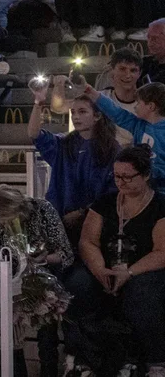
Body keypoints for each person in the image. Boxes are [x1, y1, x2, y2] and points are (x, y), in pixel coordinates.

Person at [64, 146, 165, 376]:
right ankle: (83, 357)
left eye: (128, 177)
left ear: (146, 175)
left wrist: (128, 272)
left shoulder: (160, 205)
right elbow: (88, 241)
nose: (121, 182)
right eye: (117, 176)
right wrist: (100, 269)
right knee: (77, 285)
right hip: (105, 265)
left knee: (142, 292)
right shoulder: (105, 203)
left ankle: (153, 359)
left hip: (143, 269)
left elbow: (162, 251)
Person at [0, 185, 73, 377]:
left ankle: (48, 367)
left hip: (44, 267)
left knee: (43, 294)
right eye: (2, 220)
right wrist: (11, 287)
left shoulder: (43, 209)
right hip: (9, 271)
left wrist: (44, 259)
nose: (7, 222)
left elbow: (66, 254)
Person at [87, 83, 165, 191]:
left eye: (138, 103)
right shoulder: (139, 125)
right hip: (140, 188)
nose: (135, 106)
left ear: (151, 106)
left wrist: (149, 171)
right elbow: (117, 113)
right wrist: (92, 92)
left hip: (160, 192)